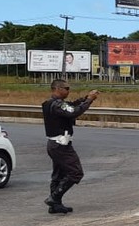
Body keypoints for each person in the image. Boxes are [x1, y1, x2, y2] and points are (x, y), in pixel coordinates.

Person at [42, 80, 100, 214]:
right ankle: (54, 197)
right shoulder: (57, 105)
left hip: (56, 144)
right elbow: (73, 112)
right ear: (58, 89)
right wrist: (89, 101)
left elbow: (72, 105)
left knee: (59, 174)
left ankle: (55, 205)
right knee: (76, 172)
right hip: (60, 145)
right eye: (66, 89)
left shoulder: (53, 103)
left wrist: (86, 98)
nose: (69, 91)